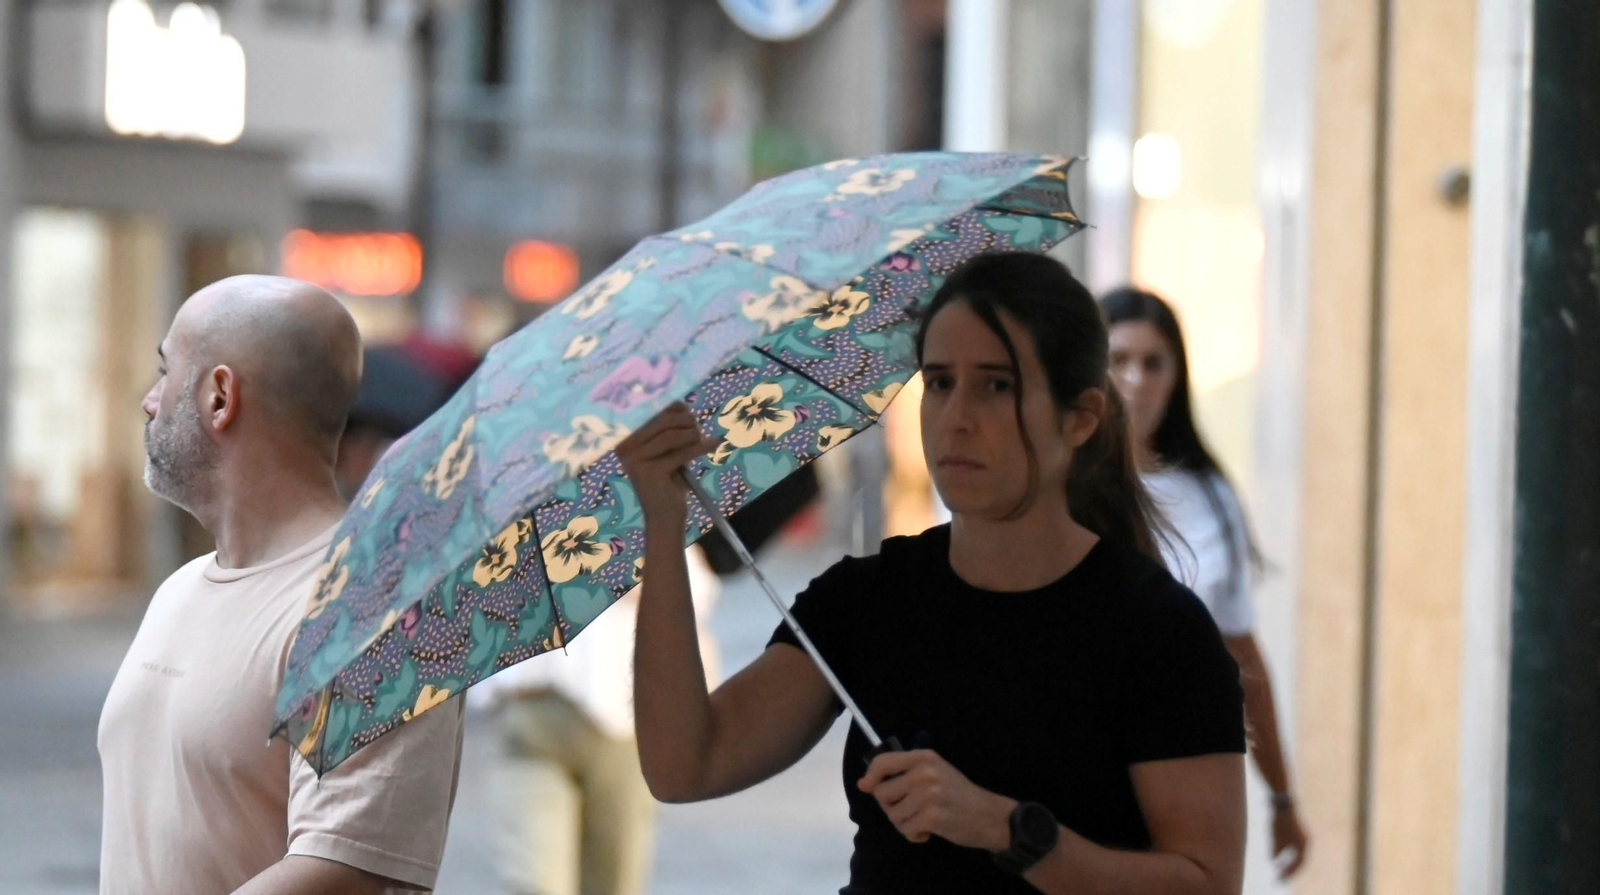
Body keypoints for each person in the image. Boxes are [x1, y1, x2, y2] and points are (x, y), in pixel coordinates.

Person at [617, 253, 1248, 895]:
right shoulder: (870, 599)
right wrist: (663, 527)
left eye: (996, 386)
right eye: (940, 382)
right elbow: (685, 765)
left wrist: (1009, 830)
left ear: (1080, 417)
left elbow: (1207, 883)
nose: (956, 417)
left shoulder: (1157, 630)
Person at [100, 275, 466, 895]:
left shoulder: (376, 608)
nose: (149, 401)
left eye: (165, 372)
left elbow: (346, 871)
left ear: (220, 396)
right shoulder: (180, 589)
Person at [1100, 286, 1310, 879]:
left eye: (1154, 363)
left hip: (1190, 773)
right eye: (1118, 359)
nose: (1136, 380)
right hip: (1090, 766)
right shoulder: (1058, 490)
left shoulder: (1212, 498)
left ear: (1176, 377)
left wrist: (1282, 797)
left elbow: (1242, 655)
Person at [470, 546, 722, 895]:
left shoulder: (636, 522)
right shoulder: (509, 528)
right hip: (529, 718)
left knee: (613, 882)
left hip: (623, 726)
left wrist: (630, 578)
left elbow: (695, 595)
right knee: (534, 885)